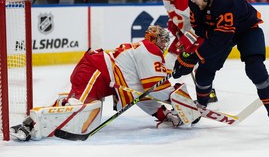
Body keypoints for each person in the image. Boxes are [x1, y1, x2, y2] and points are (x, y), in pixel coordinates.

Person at [10, 25, 197, 141]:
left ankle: (31, 122)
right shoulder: (148, 49)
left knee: (82, 110)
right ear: (153, 40)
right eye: (162, 41)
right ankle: (29, 125)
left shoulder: (141, 52)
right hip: (94, 72)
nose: (165, 45)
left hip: (95, 74)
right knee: (78, 110)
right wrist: (179, 101)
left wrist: (162, 114)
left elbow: (140, 94)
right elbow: (155, 86)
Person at [172, 0, 269, 134]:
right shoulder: (195, 3)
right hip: (219, 33)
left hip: (247, 30)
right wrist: (188, 56)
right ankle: (201, 106)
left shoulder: (226, 1)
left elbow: (221, 41)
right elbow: (198, 27)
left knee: (256, 68)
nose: (192, 0)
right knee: (205, 69)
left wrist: (194, 56)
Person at [159, 0, 218, 103]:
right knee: (169, 60)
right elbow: (176, 14)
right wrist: (173, 22)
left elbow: (199, 21)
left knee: (197, 62)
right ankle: (160, 90)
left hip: (200, 31)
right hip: (186, 32)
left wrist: (187, 39)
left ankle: (209, 93)